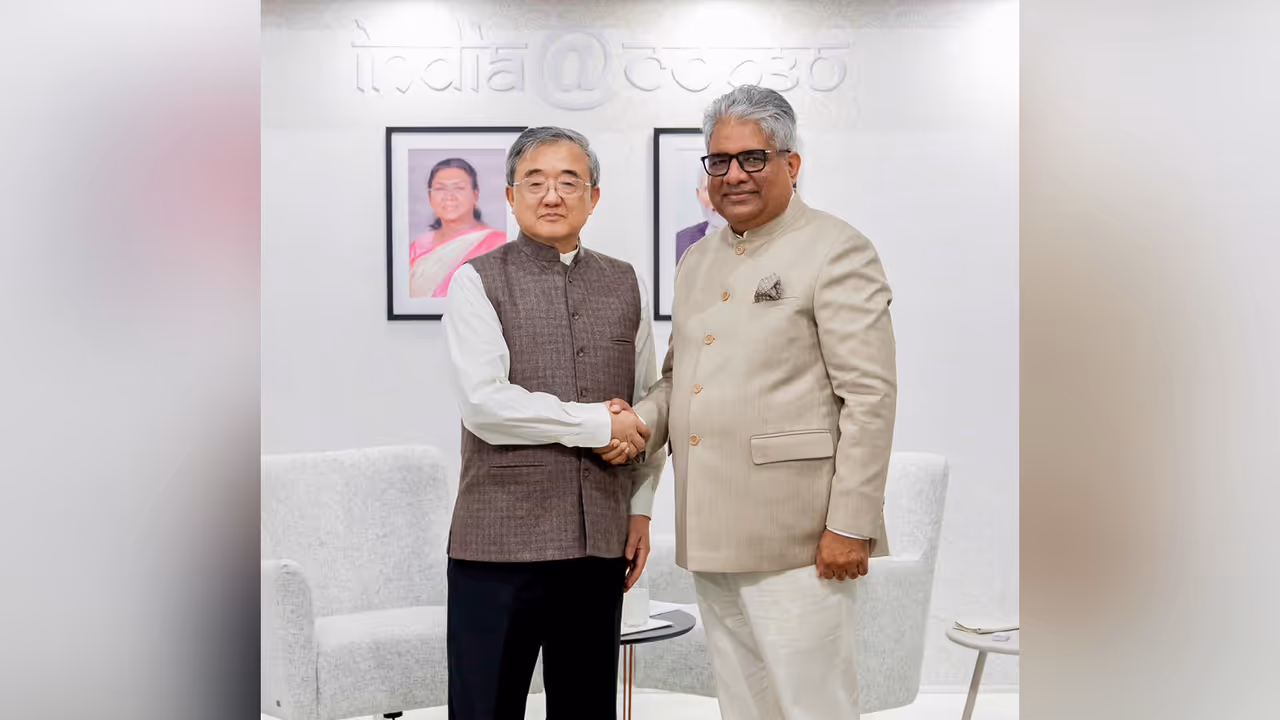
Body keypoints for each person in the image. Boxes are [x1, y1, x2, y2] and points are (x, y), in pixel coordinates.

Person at [617, 85, 898, 719]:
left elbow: (870, 397)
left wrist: (849, 525)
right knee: (743, 705)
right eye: (719, 161)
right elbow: (677, 379)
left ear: (791, 164)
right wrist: (635, 422)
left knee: (812, 706)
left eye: (754, 158)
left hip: (801, 538)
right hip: (712, 530)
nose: (734, 175)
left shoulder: (836, 248)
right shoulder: (696, 260)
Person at [442, 126, 664, 720]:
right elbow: (486, 404)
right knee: (484, 710)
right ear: (510, 197)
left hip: (597, 545)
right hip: (497, 549)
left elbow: (647, 403)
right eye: (535, 182)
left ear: (594, 197)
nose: (552, 196)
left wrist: (640, 508)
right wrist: (597, 423)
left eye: (569, 182)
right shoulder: (475, 281)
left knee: (587, 710)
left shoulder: (624, 282)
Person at [409, 157, 507, 298]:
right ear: (430, 196)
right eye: (440, 188)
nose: (449, 196)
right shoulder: (418, 247)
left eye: (459, 188)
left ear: (475, 194)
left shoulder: (499, 244)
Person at [674, 168, 727, 263]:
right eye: (707, 189)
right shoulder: (682, 240)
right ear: (698, 194)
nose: (715, 198)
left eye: (722, 187)